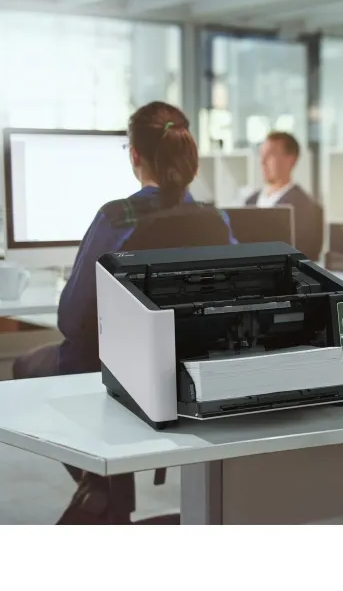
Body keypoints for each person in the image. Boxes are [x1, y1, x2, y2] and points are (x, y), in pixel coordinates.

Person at [12, 101, 236, 523]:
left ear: (134, 155)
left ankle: (102, 481)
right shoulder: (214, 219)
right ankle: (103, 483)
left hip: (109, 372)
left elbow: (71, 319)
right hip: (189, 373)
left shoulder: (116, 217)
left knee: (26, 364)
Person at [244, 131, 323, 260]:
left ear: (290, 159)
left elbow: (306, 256)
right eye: (261, 155)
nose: (263, 161)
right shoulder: (250, 202)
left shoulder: (307, 208)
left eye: (270, 155)